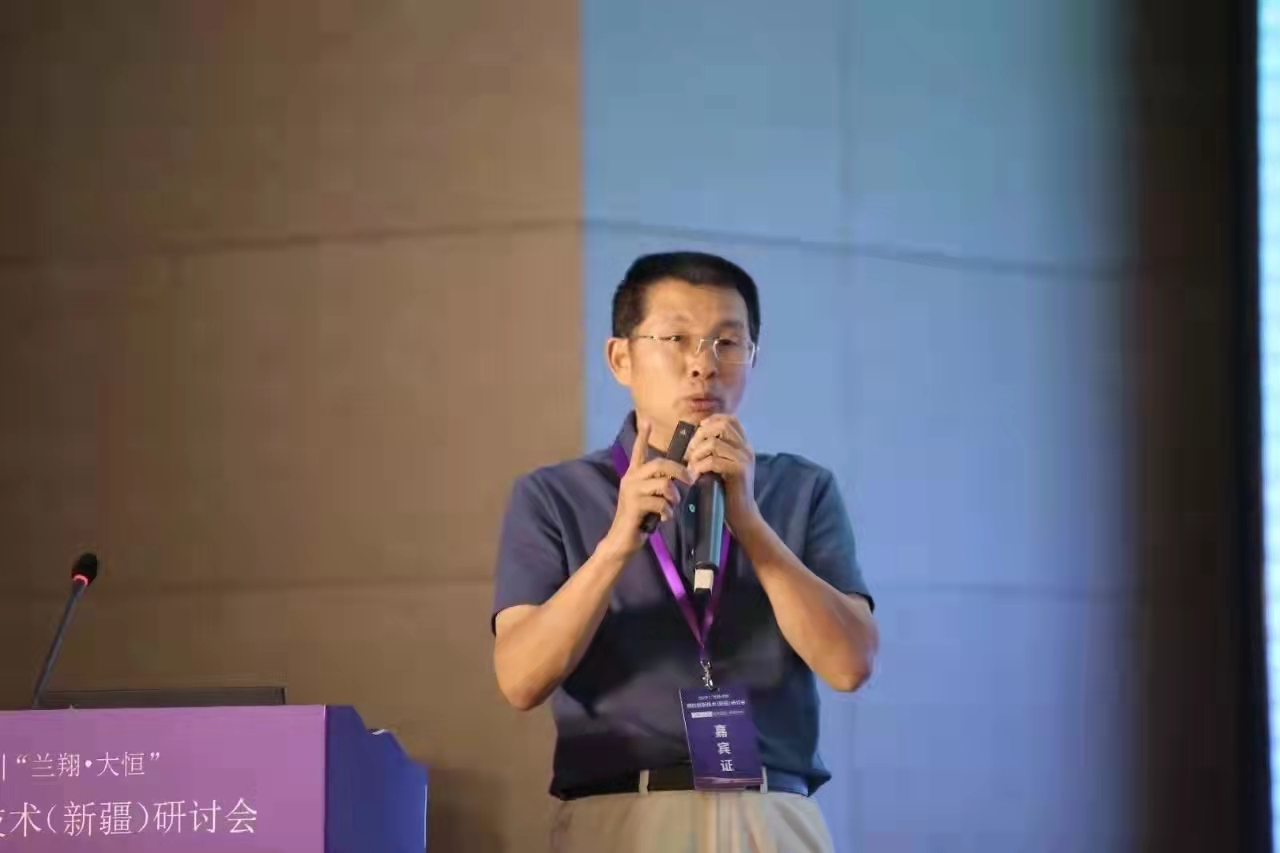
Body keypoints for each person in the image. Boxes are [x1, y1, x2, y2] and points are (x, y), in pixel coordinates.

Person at [491, 251, 878, 853]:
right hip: (623, 816)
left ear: (752, 357)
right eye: (676, 339)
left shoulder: (802, 489)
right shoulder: (554, 495)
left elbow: (850, 664)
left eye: (728, 342)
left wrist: (751, 523)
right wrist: (617, 545)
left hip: (771, 815)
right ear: (621, 358)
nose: (703, 365)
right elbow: (520, 680)